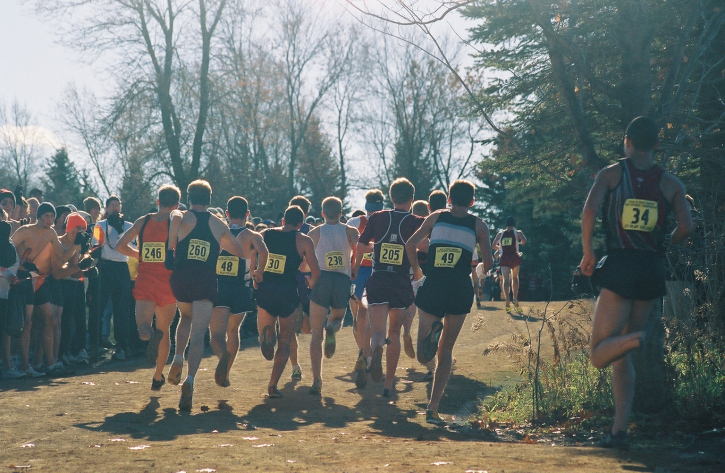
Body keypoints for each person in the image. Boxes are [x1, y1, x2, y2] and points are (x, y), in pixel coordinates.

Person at [580, 116, 692, 449]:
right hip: (651, 269)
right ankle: (619, 431)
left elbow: (589, 210)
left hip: (621, 267)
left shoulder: (612, 174)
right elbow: (687, 226)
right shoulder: (671, 183)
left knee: (599, 354)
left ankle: (640, 337)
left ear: (626, 141)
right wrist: (663, 244)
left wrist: (587, 252)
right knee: (621, 352)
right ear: (657, 144)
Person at [406, 180, 493, 425]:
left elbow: (410, 244)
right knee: (446, 351)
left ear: (449, 199)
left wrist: (417, 272)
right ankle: (433, 409)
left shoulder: (435, 218)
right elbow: (489, 262)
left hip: (433, 284)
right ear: (472, 202)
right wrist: (483, 270)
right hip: (459, 287)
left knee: (424, 357)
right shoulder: (479, 225)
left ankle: (431, 335)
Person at [166, 180, 247, 410]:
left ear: (189, 198)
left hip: (182, 277)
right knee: (199, 333)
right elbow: (239, 251)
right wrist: (221, 246)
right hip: (206, 280)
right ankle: (190, 379)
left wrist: (171, 247)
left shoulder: (181, 216)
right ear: (209, 200)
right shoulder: (219, 224)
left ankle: (178, 357)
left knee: (185, 317)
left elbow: (173, 218)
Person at [352, 178, 424, 397]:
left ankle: (375, 350)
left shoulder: (377, 217)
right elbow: (422, 246)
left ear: (391, 198)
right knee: (394, 331)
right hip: (401, 281)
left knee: (377, 330)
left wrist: (360, 263)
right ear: (411, 199)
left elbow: (362, 246)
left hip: (379, 279)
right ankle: (389, 384)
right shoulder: (417, 221)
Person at [115, 185, 181, 391]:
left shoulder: (143, 221)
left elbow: (119, 245)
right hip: (169, 283)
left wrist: (139, 254)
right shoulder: (176, 222)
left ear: (157, 201)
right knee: (165, 330)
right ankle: (158, 375)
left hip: (145, 280)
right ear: (177, 204)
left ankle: (151, 337)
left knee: (143, 326)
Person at [256, 205, 320, 398]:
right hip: (287, 292)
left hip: (266, 289)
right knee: (285, 340)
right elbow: (315, 271)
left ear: (282, 220)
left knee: (267, 328)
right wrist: (310, 284)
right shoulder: (304, 240)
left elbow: (253, 255)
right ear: (301, 224)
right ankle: (273, 385)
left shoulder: (264, 234)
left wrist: (257, 273)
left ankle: (266, 336)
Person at [210, 196, 268, 388]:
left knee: (216, 335)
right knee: (233, 331)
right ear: (247, 214)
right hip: (241, 288)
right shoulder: (251, 235)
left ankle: (222, 358)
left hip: (220, 286)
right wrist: (258, 272)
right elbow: (264, 251)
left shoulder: (219, 233)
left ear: (227, 214)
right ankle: (225, 373)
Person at [306, 197, 359, 395]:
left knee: (315, 335)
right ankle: (332, 328)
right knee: (337, 318)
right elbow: (359, 247)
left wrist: (310, 277)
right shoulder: (349, 230)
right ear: (341, 213)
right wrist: (354, 267)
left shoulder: (315, 232)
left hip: (322, 278)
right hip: (342, 279)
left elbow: (305, 256)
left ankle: (317, 380)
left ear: (322, 214)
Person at [346, 189, 385, 388]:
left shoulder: (356, 222)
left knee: (359, 316)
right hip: (379, 271)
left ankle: (363, 352)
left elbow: (347, 236)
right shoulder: (386, 219)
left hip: (358, 271)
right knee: (375, 314)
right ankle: (369, 353)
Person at [92, 196, 134, 360]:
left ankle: (122, 345)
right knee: (99, 307)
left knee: (122, 308)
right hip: (105, 266)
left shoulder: (129, 226)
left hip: (122, 267)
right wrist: (111, 230)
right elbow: (95, 245)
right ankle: (95, 344)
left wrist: (119, 231)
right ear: (107, 208)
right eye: (112, 205)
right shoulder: (100, 225)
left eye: (117, 205)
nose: (115, 208)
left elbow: (134, 247)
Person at [288, 195, 313, 381]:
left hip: (289, 281)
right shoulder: (311, 233)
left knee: (290, 330)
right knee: (308, 329)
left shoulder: (281, 232)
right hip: (308, 282)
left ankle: (295, 365)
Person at [492, 216, 527, 314]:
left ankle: (507, 298)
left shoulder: (500, 233)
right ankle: (515, 298)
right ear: (514, 223)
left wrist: (501, 248)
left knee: (506, 279)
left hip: (504, 258)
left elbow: (493, 245)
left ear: (506, 224)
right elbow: (524, 241)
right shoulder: (518, 232)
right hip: (515, 257)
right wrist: (519, 243)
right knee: (515, 277)